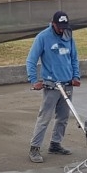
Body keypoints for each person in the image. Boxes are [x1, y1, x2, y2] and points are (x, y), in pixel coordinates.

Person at [26, 10, 81, 163]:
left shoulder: (68, 35)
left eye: (65, 27)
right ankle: (34, 148)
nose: (62, 30)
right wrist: (33, 80)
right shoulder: (43, 37)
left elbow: (74, 58)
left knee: (63, 117)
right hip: (51, 85)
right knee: (45, 118)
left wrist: (76, 76)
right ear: (53, 23)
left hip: (68, 83)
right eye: (60, 27)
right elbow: (31, 60)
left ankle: (55, 144)